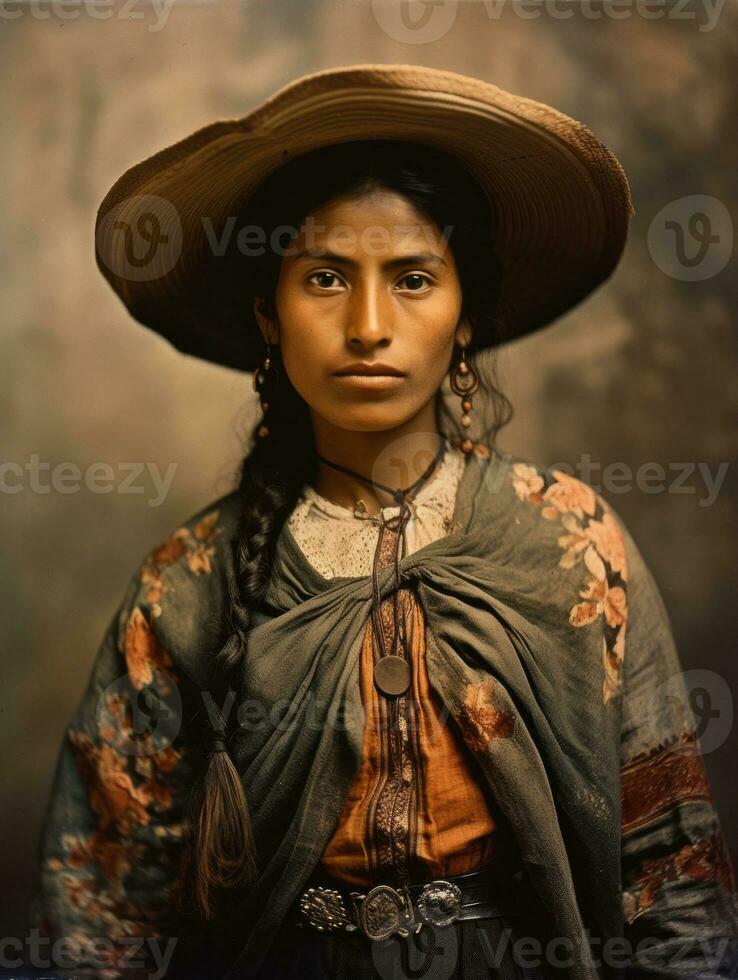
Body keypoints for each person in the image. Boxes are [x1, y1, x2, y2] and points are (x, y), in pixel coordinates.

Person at [27, 65, 738, 980]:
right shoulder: (191, 581)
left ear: (466, 319)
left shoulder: (571, 544)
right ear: (268, 318)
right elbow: (99, 912)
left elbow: (672, 873)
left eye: (411, 279)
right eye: (325, 277)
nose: (368, 325)